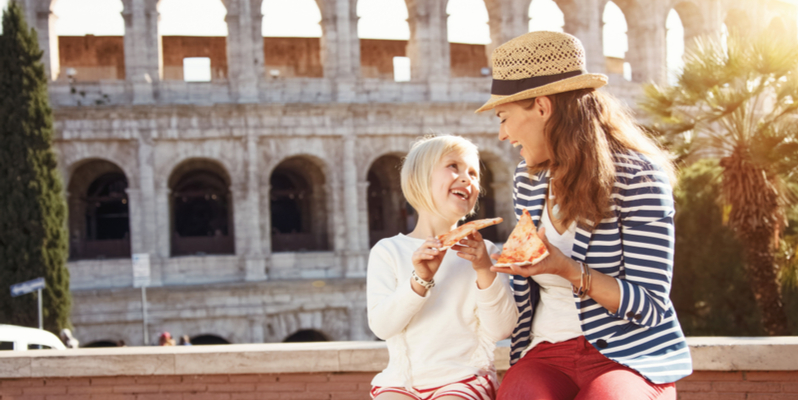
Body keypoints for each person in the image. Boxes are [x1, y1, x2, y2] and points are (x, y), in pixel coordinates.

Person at [475, 31, 692, 399]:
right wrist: (490, 265)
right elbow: (530, 283)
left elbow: (652, 306)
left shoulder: (639, 176)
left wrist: (565, 268)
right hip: (545, 350)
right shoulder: (526, 181)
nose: (502, 134)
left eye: (504, 117)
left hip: (627, 354)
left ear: (542, 107)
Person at [367, 135, 518, 400]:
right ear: (420, 180)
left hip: (465, 378)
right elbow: (382, 327)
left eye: (473, 173)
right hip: (401, 382)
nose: (467, 177)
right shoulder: (387, 251)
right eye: (453, 166)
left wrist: (483, 270)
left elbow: (502, 329)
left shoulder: (487, 253)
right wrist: (419, 281)